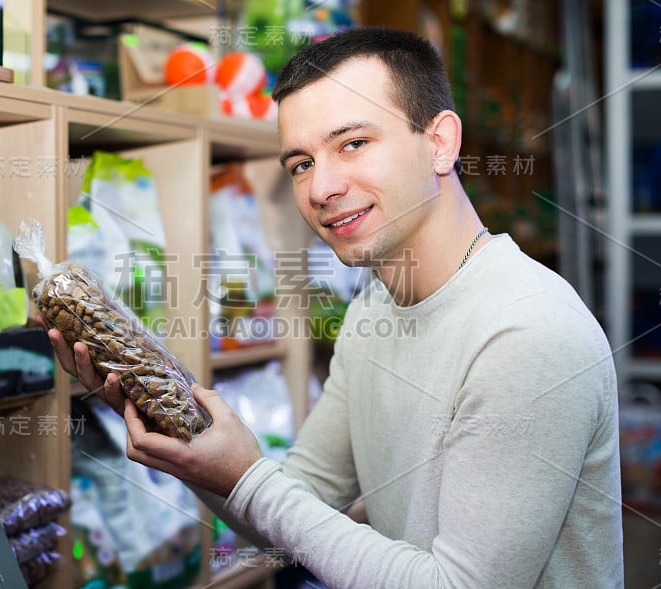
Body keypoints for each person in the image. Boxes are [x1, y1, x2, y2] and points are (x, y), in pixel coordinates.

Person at [46, 26, 624, 588]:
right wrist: (178, 431)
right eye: (301, 164)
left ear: (440, 142)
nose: (321, 189)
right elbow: (287, 508)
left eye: (353, 144)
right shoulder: (374, 310)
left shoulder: (527, 333)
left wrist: (247, 477)